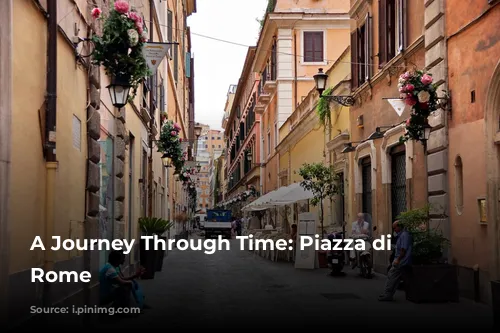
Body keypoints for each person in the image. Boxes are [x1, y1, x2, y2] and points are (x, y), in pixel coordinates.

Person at [378, 220, 413, 301]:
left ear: (399, 227)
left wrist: (398, 259)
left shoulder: (404, 235)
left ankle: (387, 295)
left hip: (401, 261)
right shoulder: (402, 235)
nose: (394, 230)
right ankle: (388, 294)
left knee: (392, 276)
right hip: (402, 260)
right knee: (395, 278)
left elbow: (403, 250)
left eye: (395, 228)